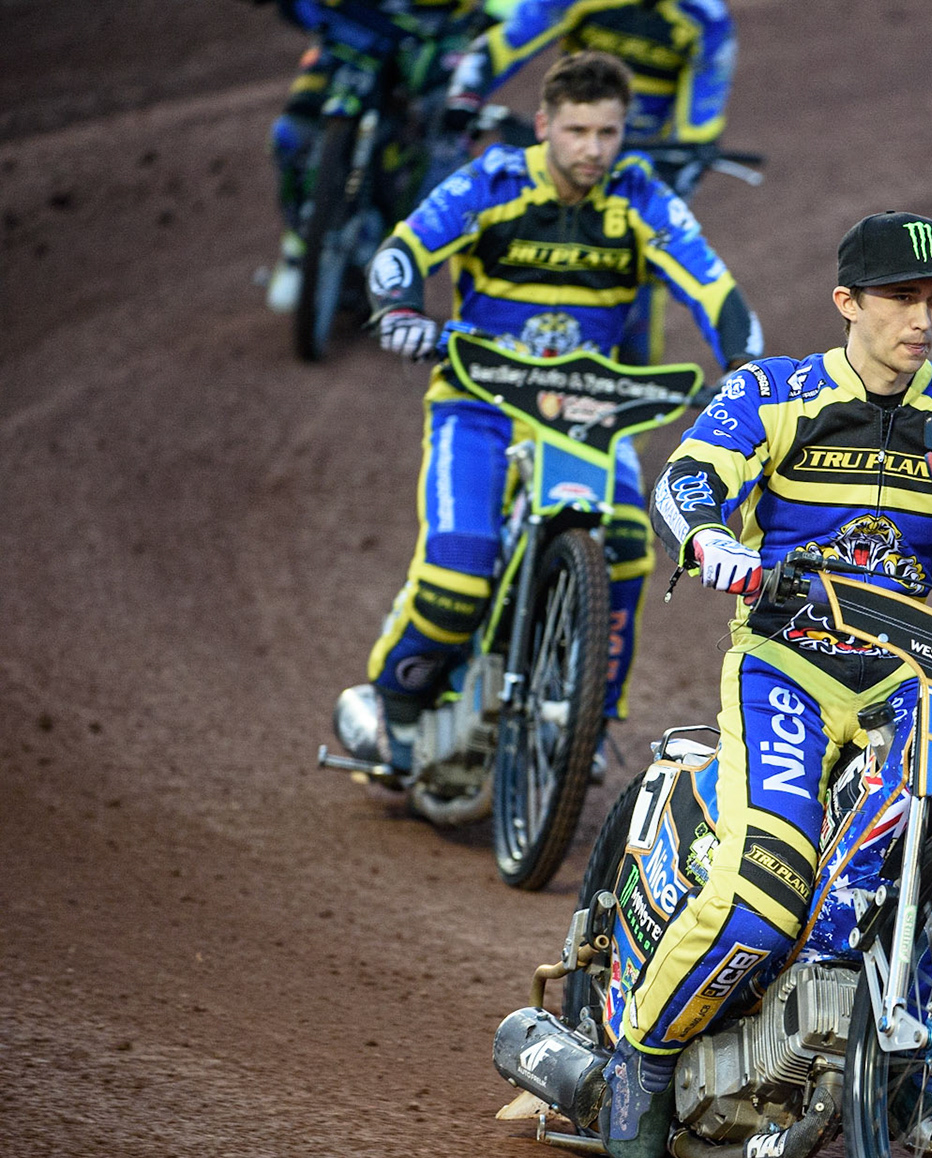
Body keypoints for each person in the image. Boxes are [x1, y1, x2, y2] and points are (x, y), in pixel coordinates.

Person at [597, 212, 932, 1158]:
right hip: (787, 663)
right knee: (765, 891)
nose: (921, 320)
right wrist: (714, 543)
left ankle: (906, 1062)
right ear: (847, 302)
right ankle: (637, 1060)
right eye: (900, 299)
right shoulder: (774, 391)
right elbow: (685, 482)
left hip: (913, 680)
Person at [343, 50, 761, 777]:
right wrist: (400, 308)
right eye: (577, 131)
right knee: (458, 573)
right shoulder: (493, 180)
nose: (594, 150)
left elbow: (716, 291)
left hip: (591, 412)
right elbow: (403, 250)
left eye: (608, 132)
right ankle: (393, 704)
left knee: (631, 546)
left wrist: (746, 373)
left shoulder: (642, 196)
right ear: (544, 125)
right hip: (480, 403)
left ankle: (584, 723)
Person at [438, 0, 738, 363]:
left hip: (641, 159)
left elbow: (701, 121)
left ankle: (633, 357)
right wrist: (466, 97)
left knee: (652, 248)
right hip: (566, 148)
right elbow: (504, 44)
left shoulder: (704, 19)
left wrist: (686, 164)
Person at [262, 0, 486, 313]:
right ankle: (297, 247)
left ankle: (405, 250)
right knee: (290, 133)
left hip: (436, 33)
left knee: (448, 135)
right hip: (355, 26)